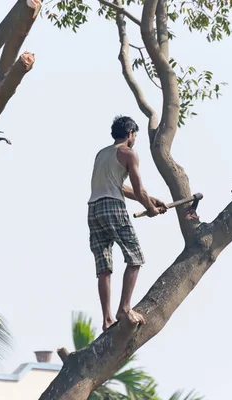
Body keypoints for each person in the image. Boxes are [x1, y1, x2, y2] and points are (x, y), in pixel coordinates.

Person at [87, 115, 168, 331]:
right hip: (113, 208)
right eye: (135, 136)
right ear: (130, 133)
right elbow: (137, 189)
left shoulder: (102, 154)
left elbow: (121, 187)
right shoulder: (128, 153)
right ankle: (124, 308)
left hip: (94, 209)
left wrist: (152, 200)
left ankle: (106, 319)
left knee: (104, 267)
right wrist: (151, 209)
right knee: (135, 258)